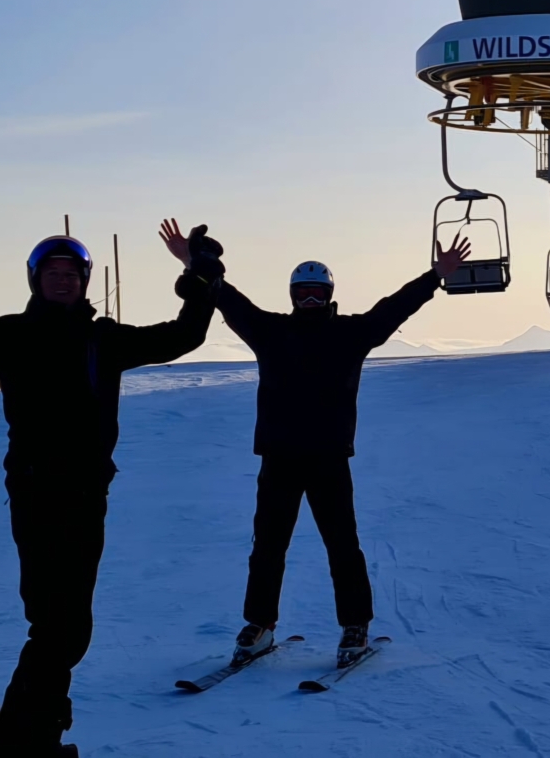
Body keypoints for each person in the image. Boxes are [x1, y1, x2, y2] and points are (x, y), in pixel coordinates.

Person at [0, 216, 223, 758]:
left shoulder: (104, 339)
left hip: (87, 495)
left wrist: (199, 274)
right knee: (57, 625)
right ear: (36, 280)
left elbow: (184, 336)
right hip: (36, 492)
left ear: (84, 281)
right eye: (53, 273)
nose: (63, 281)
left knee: (66, 627)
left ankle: (34, 735)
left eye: (72, 274)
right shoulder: (10, 336)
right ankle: (21, 742)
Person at [158, 219, 469, 668]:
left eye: (316, 293)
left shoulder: (351, 334)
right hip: (279, 458)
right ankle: (260, 625)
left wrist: (435, 276)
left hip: (328, 459)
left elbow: (393, 309)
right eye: (302, 293)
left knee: (342, 545)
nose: (309, 300)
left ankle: (355, 625)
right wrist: (192, 261)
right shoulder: (268, 331)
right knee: (267, 547)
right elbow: (228, 298)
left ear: (329, 295)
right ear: (292, 295)